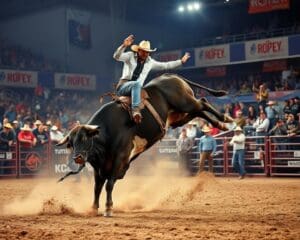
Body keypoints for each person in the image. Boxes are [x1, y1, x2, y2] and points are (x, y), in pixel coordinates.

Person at [113, 34, 190, 123]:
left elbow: (165, 65)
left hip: (137, 89)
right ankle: (135, 111)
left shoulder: (150, 63)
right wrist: (124, 46)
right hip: (124, 86)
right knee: (136, 84)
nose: (146, 54)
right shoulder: (130, 56)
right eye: (143, 51)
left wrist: (180, 62)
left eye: (147, 52)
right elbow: (116, 56)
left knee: (150, 95)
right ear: (138, 51)